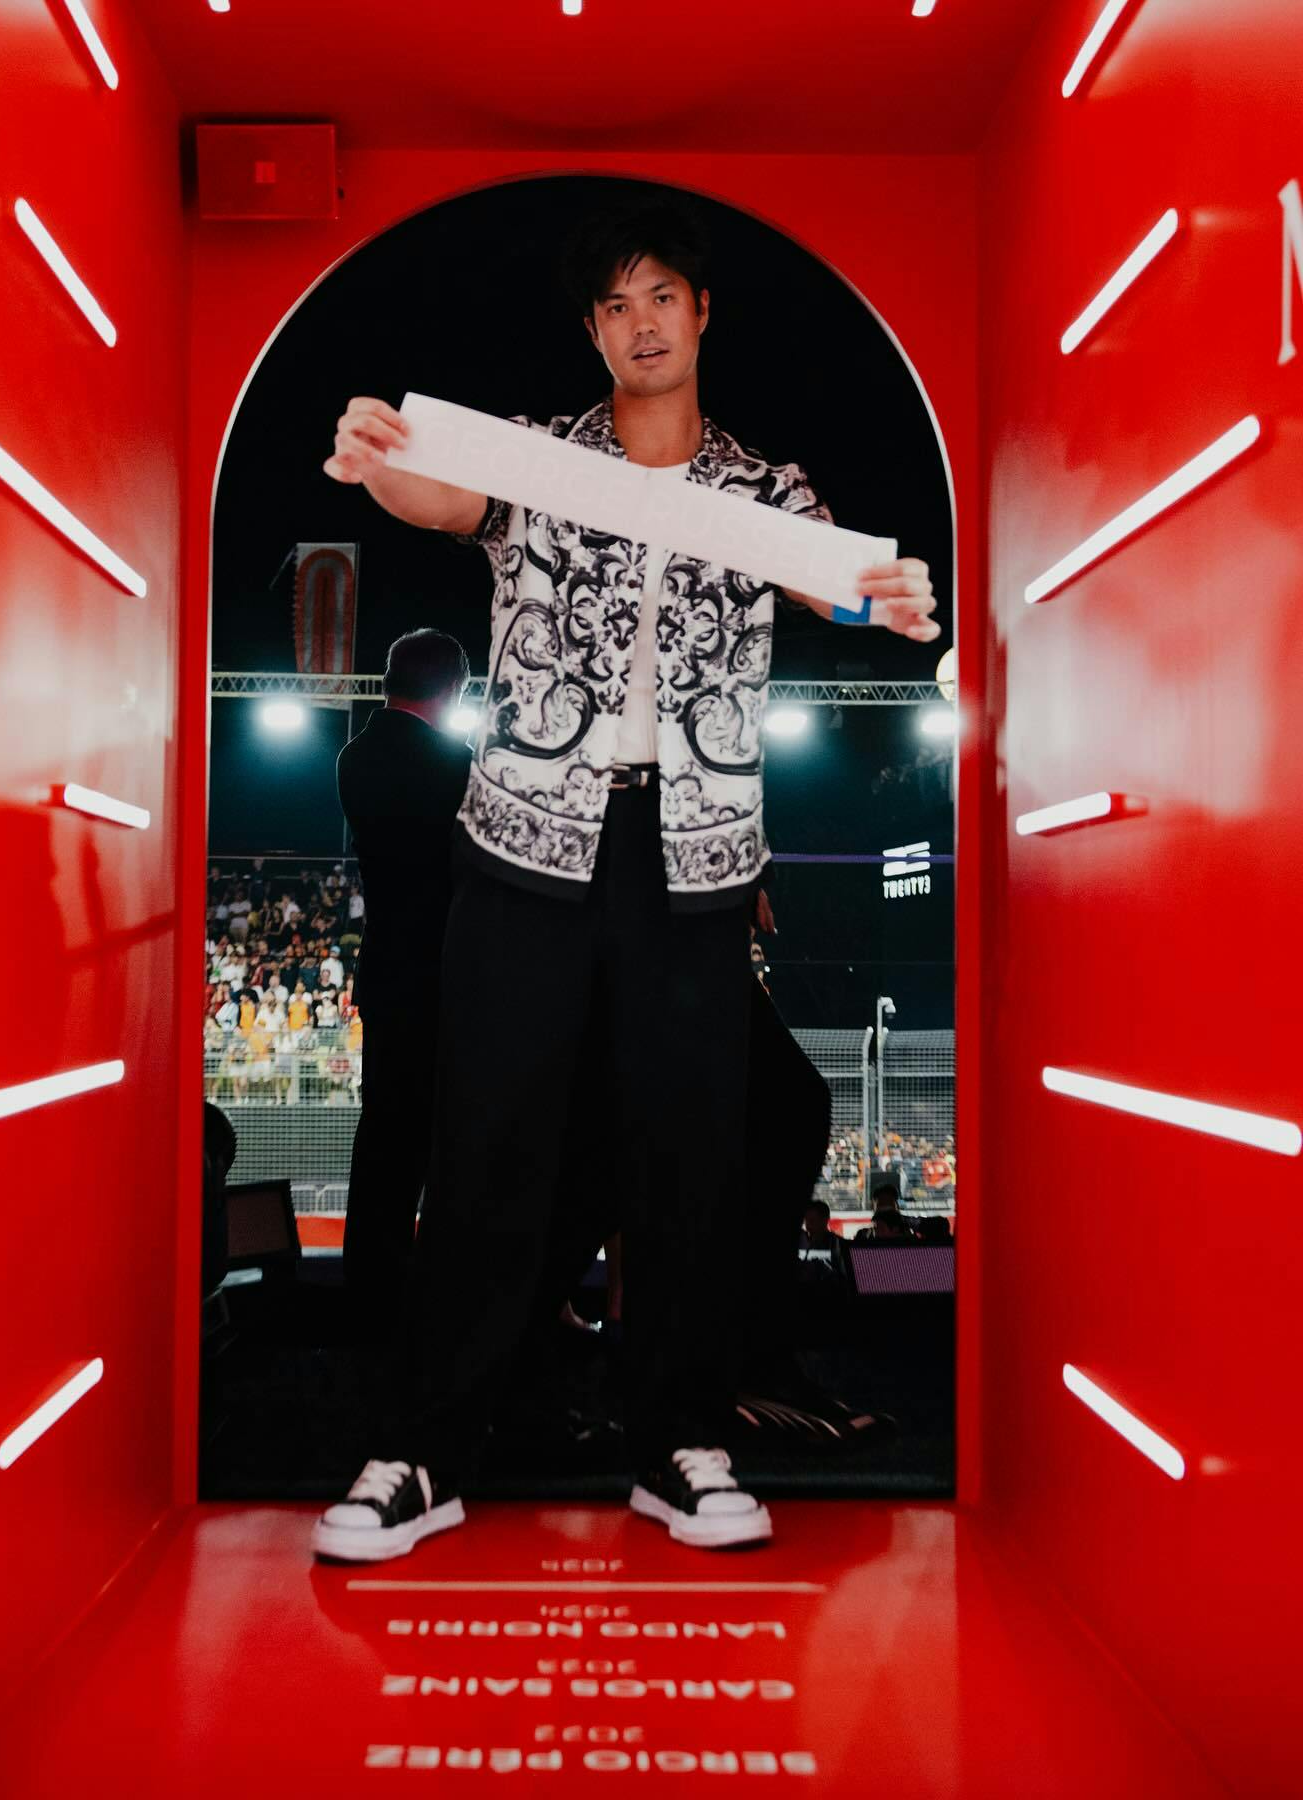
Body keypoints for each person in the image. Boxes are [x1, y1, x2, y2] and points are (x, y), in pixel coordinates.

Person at [313, 194, 937, 1563]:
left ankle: (681, 1441)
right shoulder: (540, 461)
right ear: (591, 331)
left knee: (690, 1153)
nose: (642, 323)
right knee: (488, 1142)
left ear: (702, 315)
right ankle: (425, 1450)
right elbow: (436, 491)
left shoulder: (765, 492)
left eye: (663, 296)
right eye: (615, 304)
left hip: (694, 857)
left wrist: (887, 597)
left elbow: (841, 582)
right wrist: (373, 461)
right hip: (526, 841)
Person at [334, 629, 474, 1340]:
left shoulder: (354, 756)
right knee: (449, 1137)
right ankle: (441, 1293)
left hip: (388, 970)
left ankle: (371, 1288)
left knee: (384, 1133)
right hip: (447, 972)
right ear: (453, 690)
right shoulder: (454, 763)